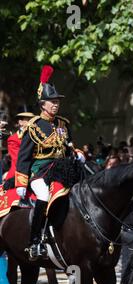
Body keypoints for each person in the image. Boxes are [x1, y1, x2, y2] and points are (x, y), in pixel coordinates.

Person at [15, 65, 85, 261]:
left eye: (57, 102)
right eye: (52, 101)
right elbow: (24, 157)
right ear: (42, 104)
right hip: (40, 171)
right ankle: (35, 241)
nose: (56, 105)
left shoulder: (63, 123)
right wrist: (21, 183)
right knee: (44, 196)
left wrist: (78, 154)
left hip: (63, 168)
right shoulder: (34, 126)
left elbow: (71, 145)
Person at [3, 105, 36, 186]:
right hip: (18, 174)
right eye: (28, 120)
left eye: (32, 120)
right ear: (20, 122)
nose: (31, 123)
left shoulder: (37, 135)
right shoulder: (13, 139)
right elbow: (18, 160)